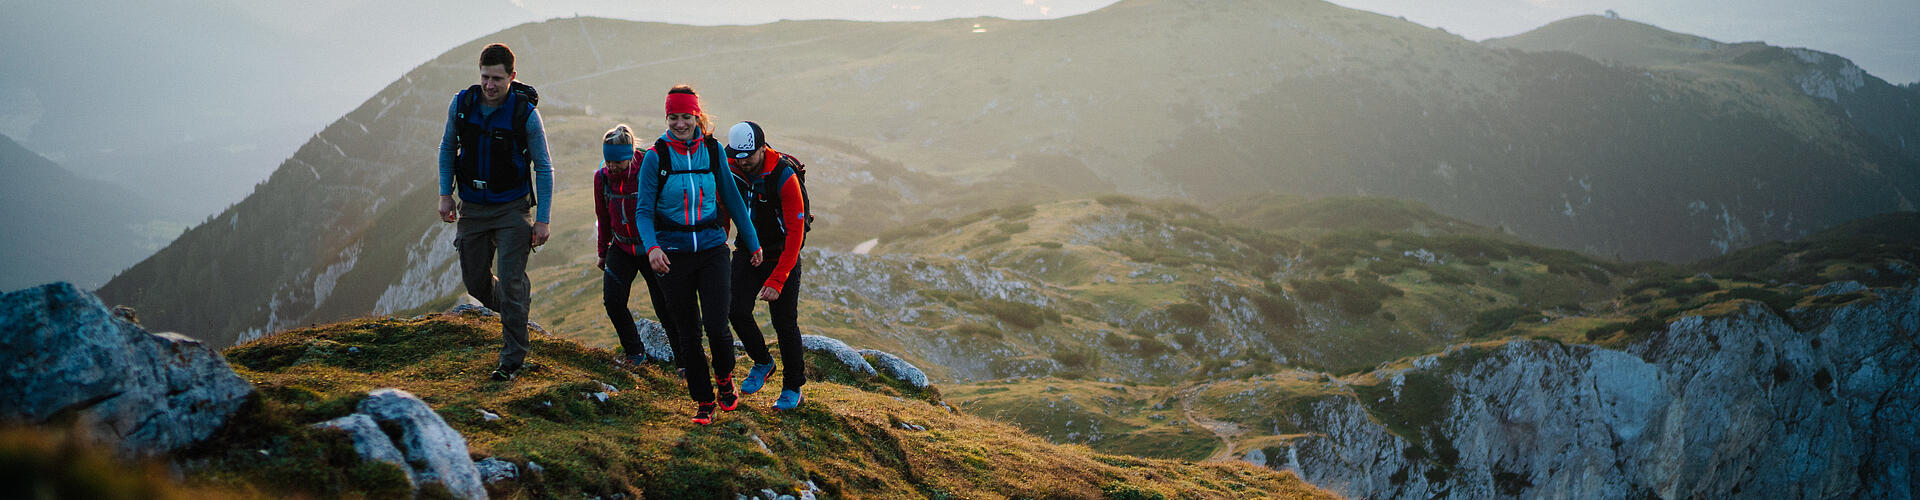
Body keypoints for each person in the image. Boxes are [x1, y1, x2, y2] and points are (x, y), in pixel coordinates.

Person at [635, 85, 763, 425]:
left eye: (686, 116)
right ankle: (703, 400)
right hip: (672, 254)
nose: (680, 124)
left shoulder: (712, 150)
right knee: (687, 332)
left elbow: (733, 199)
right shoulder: (655, 157)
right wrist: (652, 247)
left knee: (718, 327)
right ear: (667, 117)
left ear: (697, 116)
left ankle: (724, 377)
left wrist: (752, 242)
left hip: (711, 250)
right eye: (674, 117)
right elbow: (643, 211)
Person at [437, 43, 554, 382]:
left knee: (511, 278)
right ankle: (516, 305)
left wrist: (542, 218)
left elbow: (544, 168)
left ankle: (511, 360)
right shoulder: (462, 105)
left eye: (497, 79)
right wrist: (446, 195)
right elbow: (447, 148)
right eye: (485, 77)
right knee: (476, 282)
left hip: (512, 209)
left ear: (512, 77)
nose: (490, 86)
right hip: (472, 206)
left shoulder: (525, 114)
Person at [723, 121, 811, 411]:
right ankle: (762, 362)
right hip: (748, 249)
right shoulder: (730, 166)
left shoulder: (783, 176)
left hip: (781, 252)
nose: (743, 160)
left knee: (784, 323)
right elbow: (723, 208)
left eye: (749, 154)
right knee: (734, 309)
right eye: (738, 155)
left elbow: (795, 236)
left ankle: (793, 387)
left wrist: (778, 279)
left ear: (763, 148)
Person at [593, 124, 682, 368]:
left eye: (617, 162)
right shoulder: (602, 178)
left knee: (666, 307)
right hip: (621, 247)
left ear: (630, 156)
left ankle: (684, 362)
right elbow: (603, 216)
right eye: (608, 161)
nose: (611, 167)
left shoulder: (648, 170)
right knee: (613, 301)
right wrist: (603, 252)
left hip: (652, 248)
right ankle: (634, 351)